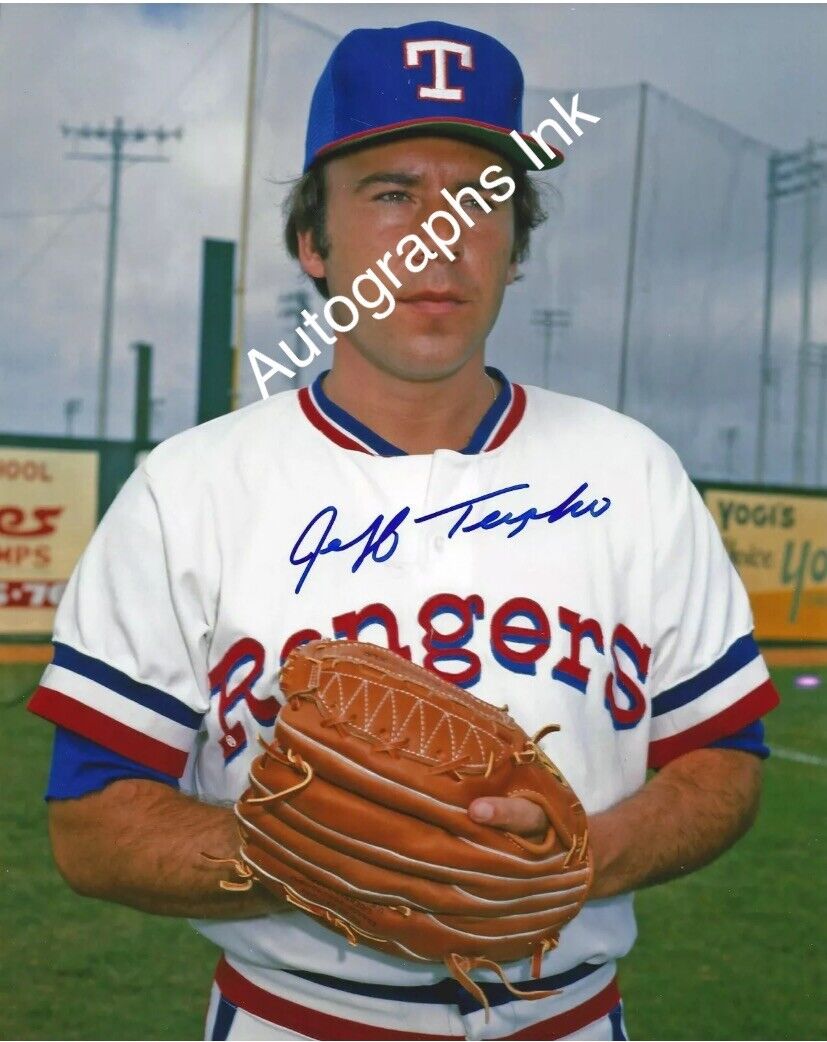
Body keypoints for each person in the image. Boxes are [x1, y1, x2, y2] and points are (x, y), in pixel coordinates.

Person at [30, 21, 779, 1042]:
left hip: (568, 1018)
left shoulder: (630, 471)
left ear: (515, 244)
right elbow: (90, 820)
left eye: (479, 200)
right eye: (391, 194)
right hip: (296, 1020)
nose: (438, 234)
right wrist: (305, 862)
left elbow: (720, 756)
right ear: (312, 240)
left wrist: (567, 858)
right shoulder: (187, 489)